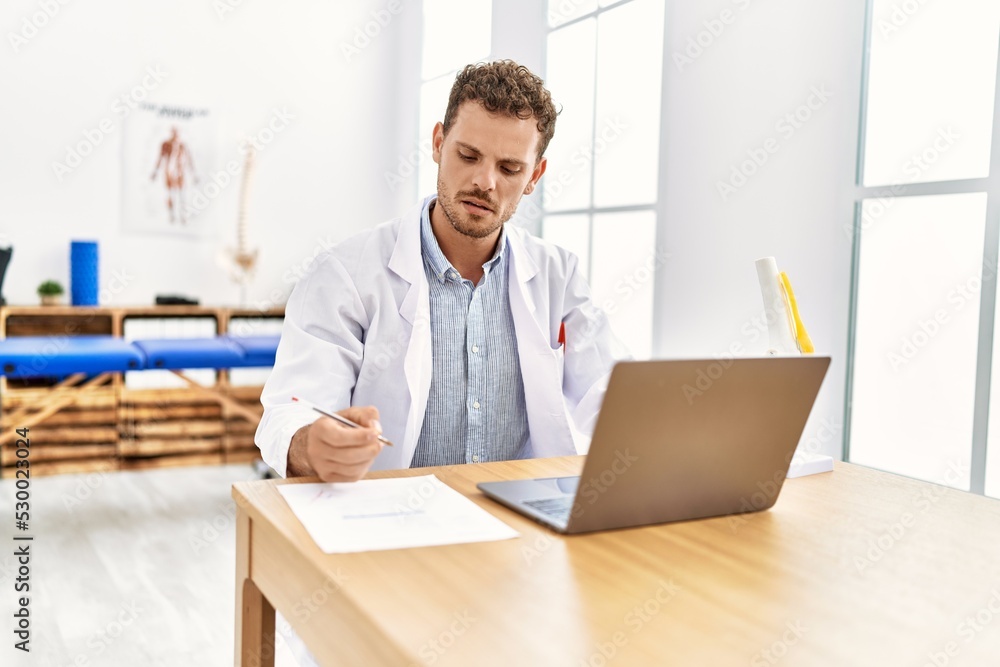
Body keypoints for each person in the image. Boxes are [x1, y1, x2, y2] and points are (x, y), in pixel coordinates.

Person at [255, 60, 619, 484]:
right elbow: (290, 411)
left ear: (535, 175)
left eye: (509, 169)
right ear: (438, 143)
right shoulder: (345, 275)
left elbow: (612, 397)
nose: (485, 182)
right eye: (468, 155)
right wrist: (312, 446)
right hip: (392, 525)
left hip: (522, 525)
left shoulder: (559, 276)